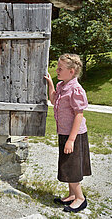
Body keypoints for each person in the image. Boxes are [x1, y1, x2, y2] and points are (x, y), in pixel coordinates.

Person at [44, 53, 91, 213]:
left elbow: (79, 115)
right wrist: (50, 83)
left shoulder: (76, 89)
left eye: (60, 68)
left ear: (71, 71)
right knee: (67, 164)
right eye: (57, 68)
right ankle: (72, 195)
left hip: (74, 135)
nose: (57, 70)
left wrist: (71, 140)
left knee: (72, 166)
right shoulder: (62, 86)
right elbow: (53, 99)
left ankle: (80, 198)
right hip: (64, 133)